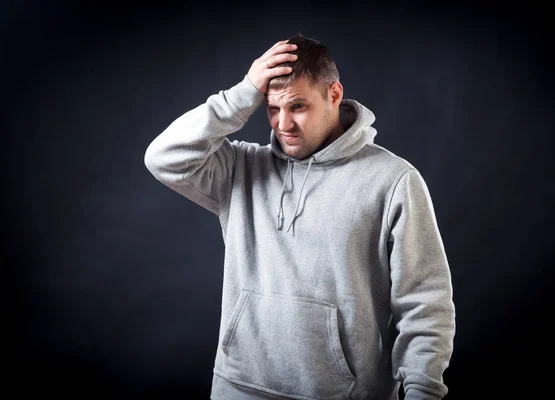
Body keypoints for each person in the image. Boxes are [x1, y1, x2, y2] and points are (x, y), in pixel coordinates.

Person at [144, 34, 456, 400]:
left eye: (298, 106)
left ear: (334, 95)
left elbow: (425, 304)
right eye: (272, 109)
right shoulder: (242, 168)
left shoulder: (393, 180)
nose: (283, 124)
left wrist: (422, 392)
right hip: (239, 387)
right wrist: (241, 95)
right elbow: (163, 157)